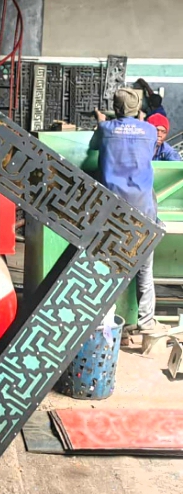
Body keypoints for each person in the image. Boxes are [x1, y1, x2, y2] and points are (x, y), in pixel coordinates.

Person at [91, 88, 165, 334]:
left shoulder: (106, 129)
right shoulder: (150, 130)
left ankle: (105, 322)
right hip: (143, 209)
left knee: (108, 266)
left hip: (112, 211)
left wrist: (101, 121)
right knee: (144, 268)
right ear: (138, 108)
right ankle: (146, 322)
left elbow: (93, 147)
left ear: (116, 107)